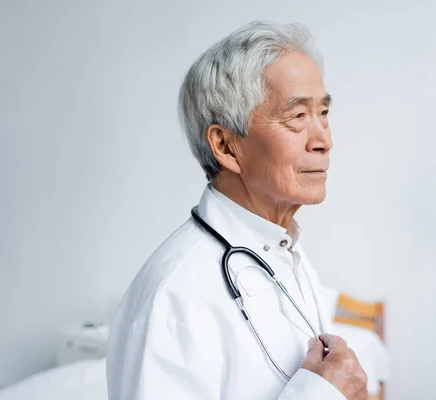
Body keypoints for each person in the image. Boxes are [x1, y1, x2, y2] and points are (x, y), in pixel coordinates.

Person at [106, 21, 368, 400]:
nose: (325, 140)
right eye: (297, 117)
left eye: (323, 113)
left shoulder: (285, 251)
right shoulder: (171, 301)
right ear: (227, 146)